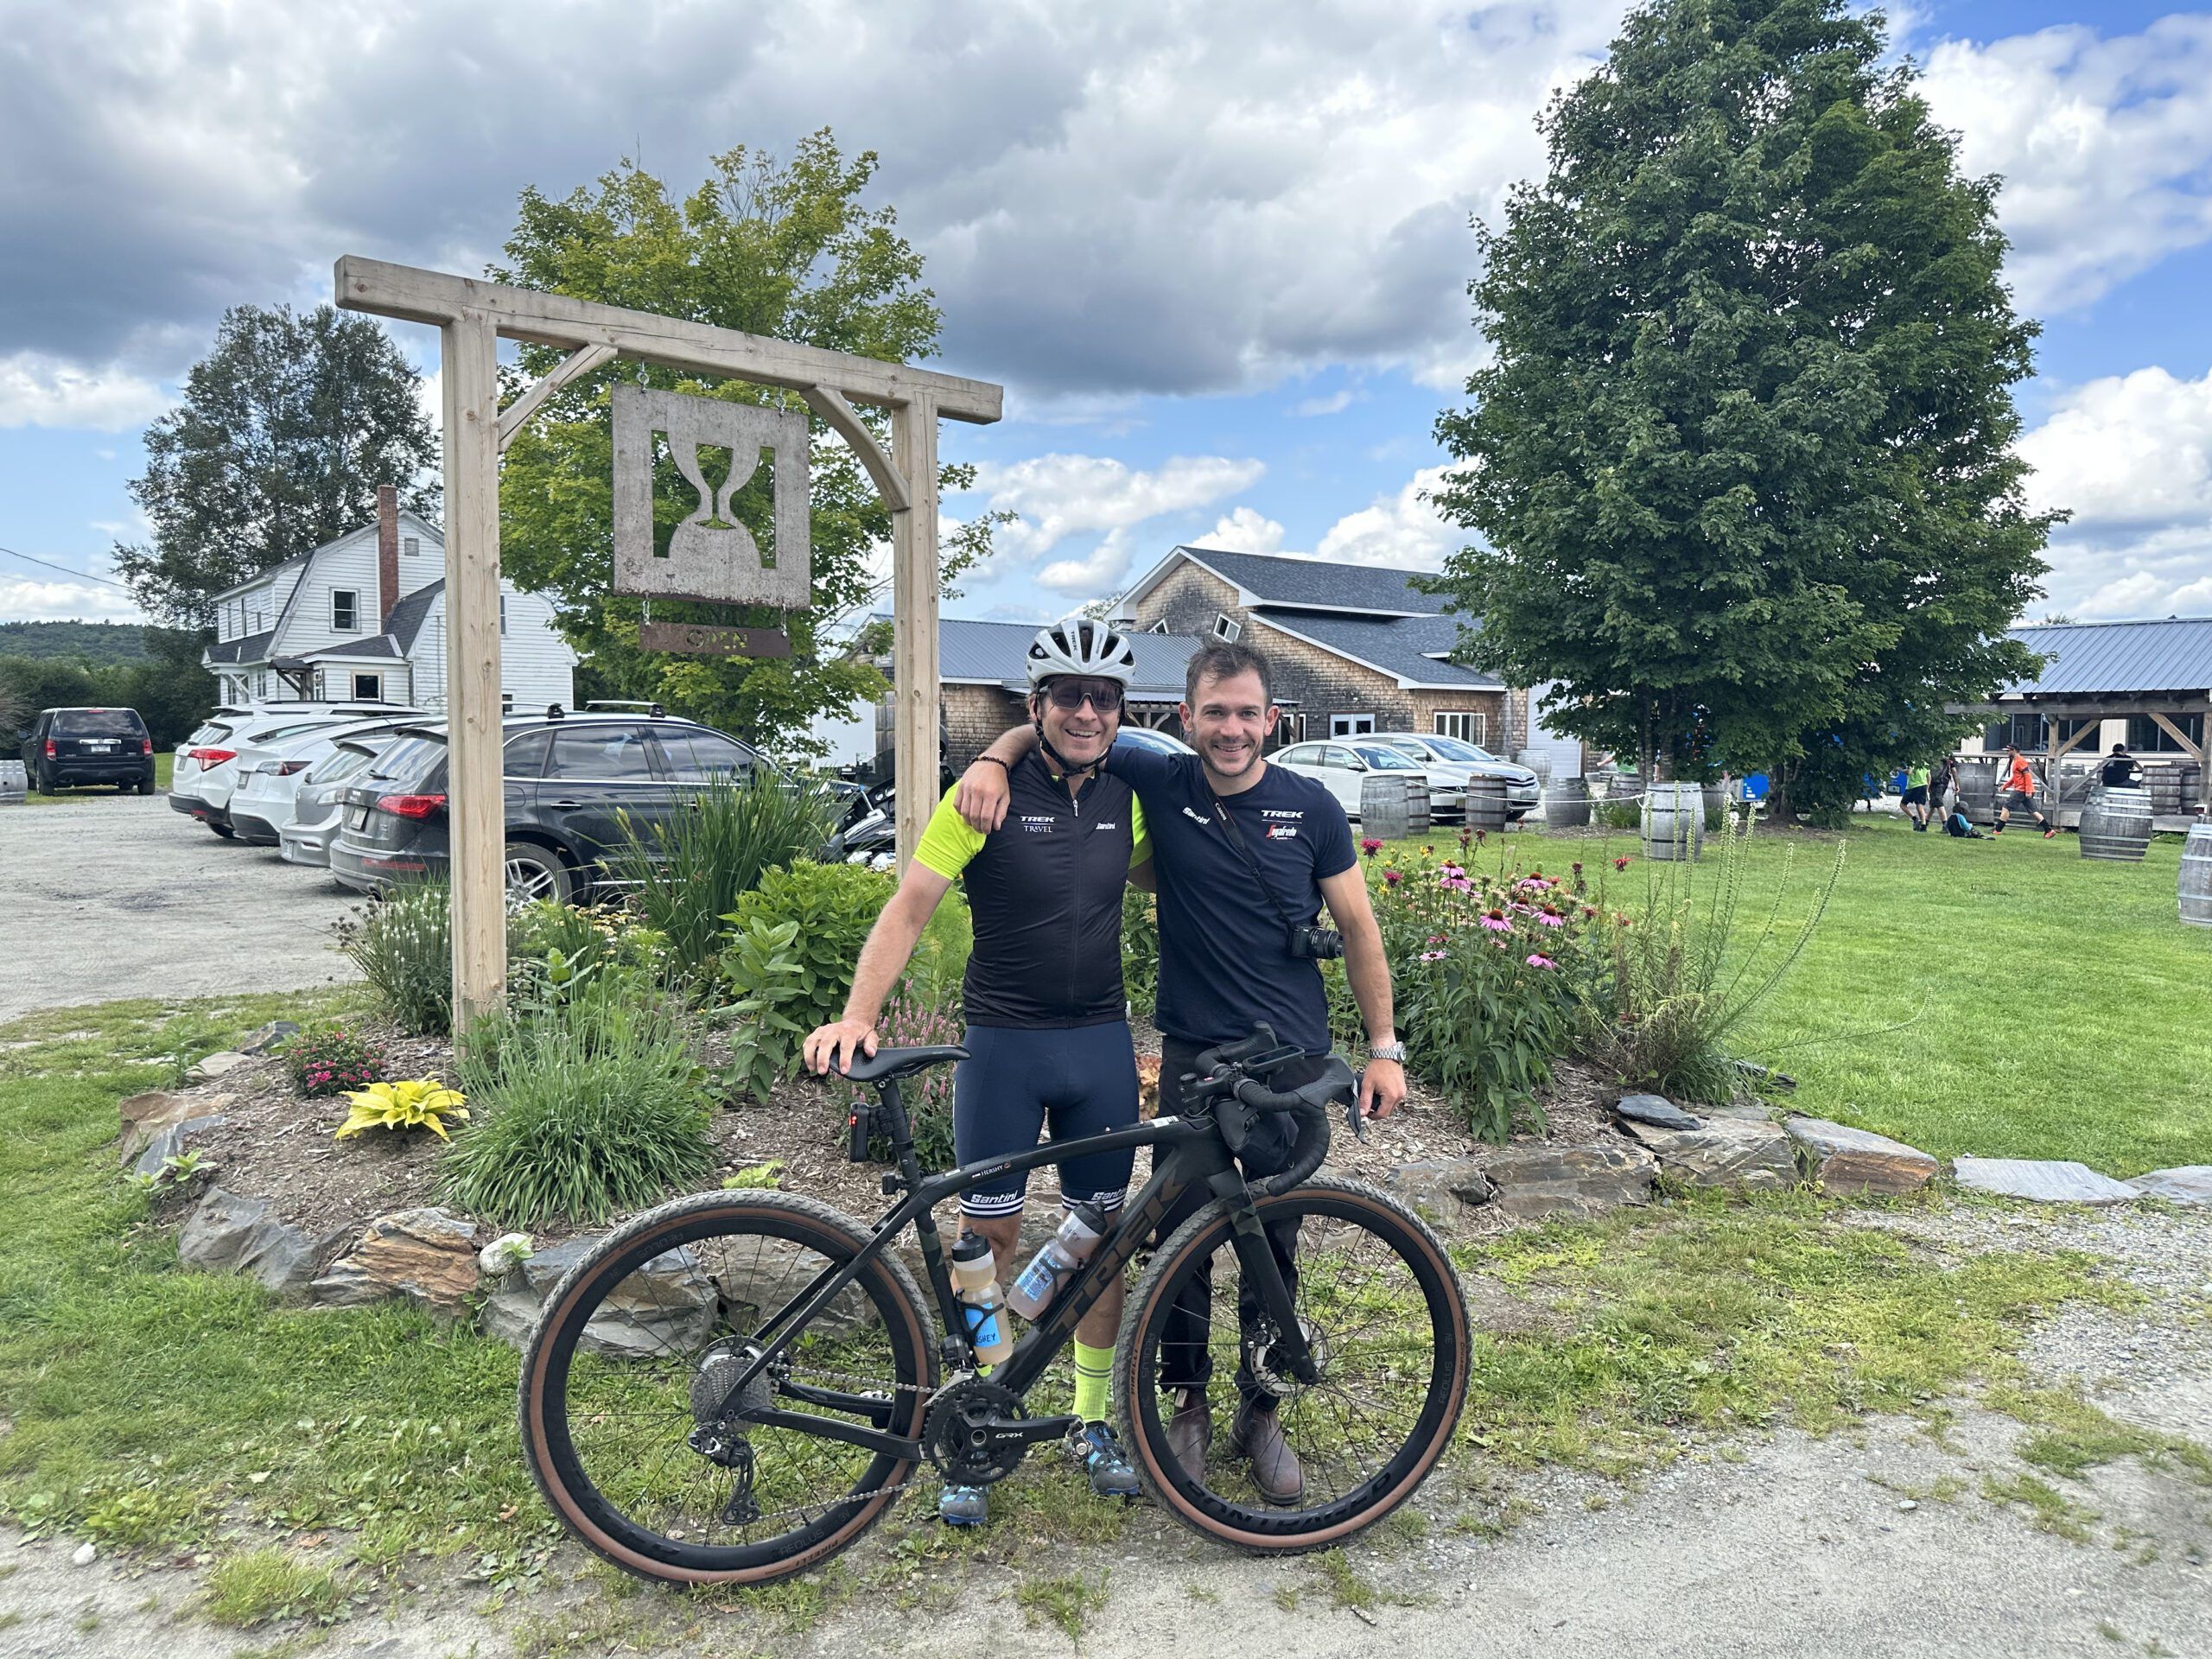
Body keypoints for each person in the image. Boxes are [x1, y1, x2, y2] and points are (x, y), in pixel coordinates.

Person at [957, 640, 1407, 1506]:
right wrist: (989, 753)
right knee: (1182, 1248)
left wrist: (1381, 1048)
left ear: (1271, 719)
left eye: (1247, 713)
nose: (1232, 729)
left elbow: (1358, 929)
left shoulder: (1310, 807)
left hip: (1290, 1057)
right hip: (1199, 1057)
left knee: (1274, 1242)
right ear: (1183, 720)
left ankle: (1261, 1412)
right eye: (1215, 713)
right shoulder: (1160, 782)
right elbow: (1050, 728)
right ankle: (1187, 1407)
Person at [802, 619, 1154, 1527]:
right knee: (983, 1247)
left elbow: (1187, 865)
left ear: (1120, 710)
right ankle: (982, 1416)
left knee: (1101, 1243)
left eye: (1102, 696)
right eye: (1067, 695)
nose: (1085, 710)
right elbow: (909, 906)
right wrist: (858, 1013)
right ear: (1035, 704)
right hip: (1004, 1046)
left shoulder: (1133, 792)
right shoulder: (985, 796)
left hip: (1101, 1047)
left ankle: (1088, 1421)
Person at [1993, 743, 2056, 838]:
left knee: (2006, 807)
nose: (2007, 752)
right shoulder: (2016, 761)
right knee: (2033, 811)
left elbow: (2027, 776)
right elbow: (2015, 778)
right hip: (2023, 790)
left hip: (2021, 790)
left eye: (2008, 750)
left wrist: (2029, 790)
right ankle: (2049, 830)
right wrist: (2005, 786)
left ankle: (1998, 830)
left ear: (2014, 750)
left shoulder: (2020, 761)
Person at [1900, 761, 1932, 831]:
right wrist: (1927, 787)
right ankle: (1923, 826)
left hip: (1912, 786)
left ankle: (1915, 819)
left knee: (1903, 805)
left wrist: (1899, 769)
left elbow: (1909, 772)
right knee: (1920, 806)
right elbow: (1929, 776)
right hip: (1923, 786)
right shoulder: (1926, 763)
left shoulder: (1912, 762)